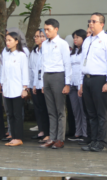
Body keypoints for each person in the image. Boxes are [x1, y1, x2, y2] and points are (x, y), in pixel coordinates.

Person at [79, 13, 107, 153]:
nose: (91, 24)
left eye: (94, 21)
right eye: (90, 21)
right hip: (87, 79)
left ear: (101, 24)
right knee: (91, 112)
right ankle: (93, 139)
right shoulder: (88, 40)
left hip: (100, 79)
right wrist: (81, 83)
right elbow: (83, 62)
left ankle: (101, 141)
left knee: (101, 112)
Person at [40, 18, 71, 149]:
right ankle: (52, 137)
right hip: (47, 76)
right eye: (45, 29)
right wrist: (42, 82)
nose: (46, 32)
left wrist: (67, 83)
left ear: (56, 29)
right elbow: (43, 64)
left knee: (60, 110)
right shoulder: (44, 44)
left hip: (59, 76)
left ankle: (60, 139)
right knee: (51, 110)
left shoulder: (63, 44)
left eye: (48, 29)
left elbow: (67, 63)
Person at [0, 30, 29, 146]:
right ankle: (13, 136)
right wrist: (1, 83)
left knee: (17, 115)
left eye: (10, 40)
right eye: (6, 40)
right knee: (10, 114)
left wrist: (25, 88)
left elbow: (24, 73)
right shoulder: (6, 55)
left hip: (17, 89)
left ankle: (19, 137)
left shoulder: (21, 55)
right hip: (7, 88)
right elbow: (3, 71)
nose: (7, 42)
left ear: (16, 41)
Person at [29, 29, 51, 143]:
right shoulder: (34, 51)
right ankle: (41, 130)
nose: (38, 38)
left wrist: (42, 84)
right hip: (35, 84)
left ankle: (48, 133)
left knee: (46, 109)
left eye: (41, 36)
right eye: (37, 36)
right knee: (38, 109)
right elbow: (32, 69)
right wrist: (32, 84)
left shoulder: (47, 50)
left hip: (45, 84)